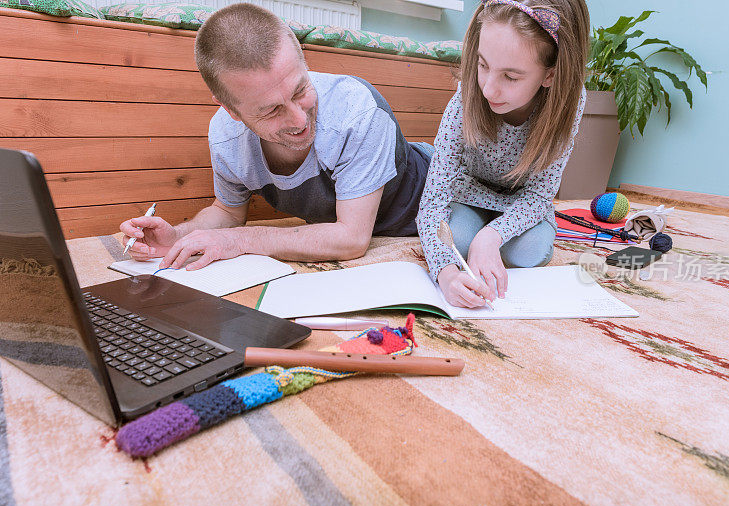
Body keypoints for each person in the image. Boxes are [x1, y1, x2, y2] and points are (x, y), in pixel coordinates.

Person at [120, 3, 431, 270]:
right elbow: (228, 212)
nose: (299, 120)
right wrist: (177, 236)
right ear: (231, 110)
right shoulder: (227, 139)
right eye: (271, 111)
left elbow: (351, 239)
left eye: (300, 90)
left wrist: (241, 241)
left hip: (436, 198)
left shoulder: (357, 111)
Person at [415, 0, 589, 308]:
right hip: (469, 194)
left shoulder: (568, 104)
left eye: (510, 77)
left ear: (550, 75)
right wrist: (445, 273)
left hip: (522, 203)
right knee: (456, 244)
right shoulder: (467, 95)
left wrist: (492, 236)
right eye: (483, 65)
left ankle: (489, 236)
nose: (488, 89)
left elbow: (539, 196)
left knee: (529, 252)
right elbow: (432, 203)